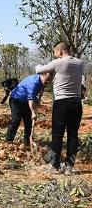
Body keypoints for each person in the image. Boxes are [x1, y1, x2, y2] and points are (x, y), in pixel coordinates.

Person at [35, 42, 84, 174]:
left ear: (60, 51)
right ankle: (69, 166)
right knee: (73, 135)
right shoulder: (80, 63)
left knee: (57, 134)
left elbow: (39, 70)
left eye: (55, 52)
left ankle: (54, 165)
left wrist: (39, 65)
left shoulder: (58, 62)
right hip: (76, 102)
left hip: (62, 102)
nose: (54, 54)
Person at [6, 72, 54, 145]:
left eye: (50, 80)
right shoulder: (33, 83)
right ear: (42, 76)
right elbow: (31, 99)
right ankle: (9, 140)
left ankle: (27, 142)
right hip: (16, 99)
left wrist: (39, 98)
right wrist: (33, 112)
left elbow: (42, 89)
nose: (48, 82)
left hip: (26, 101)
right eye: (47, 80)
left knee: (29, 122)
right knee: (16, 120)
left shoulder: (43, 81)